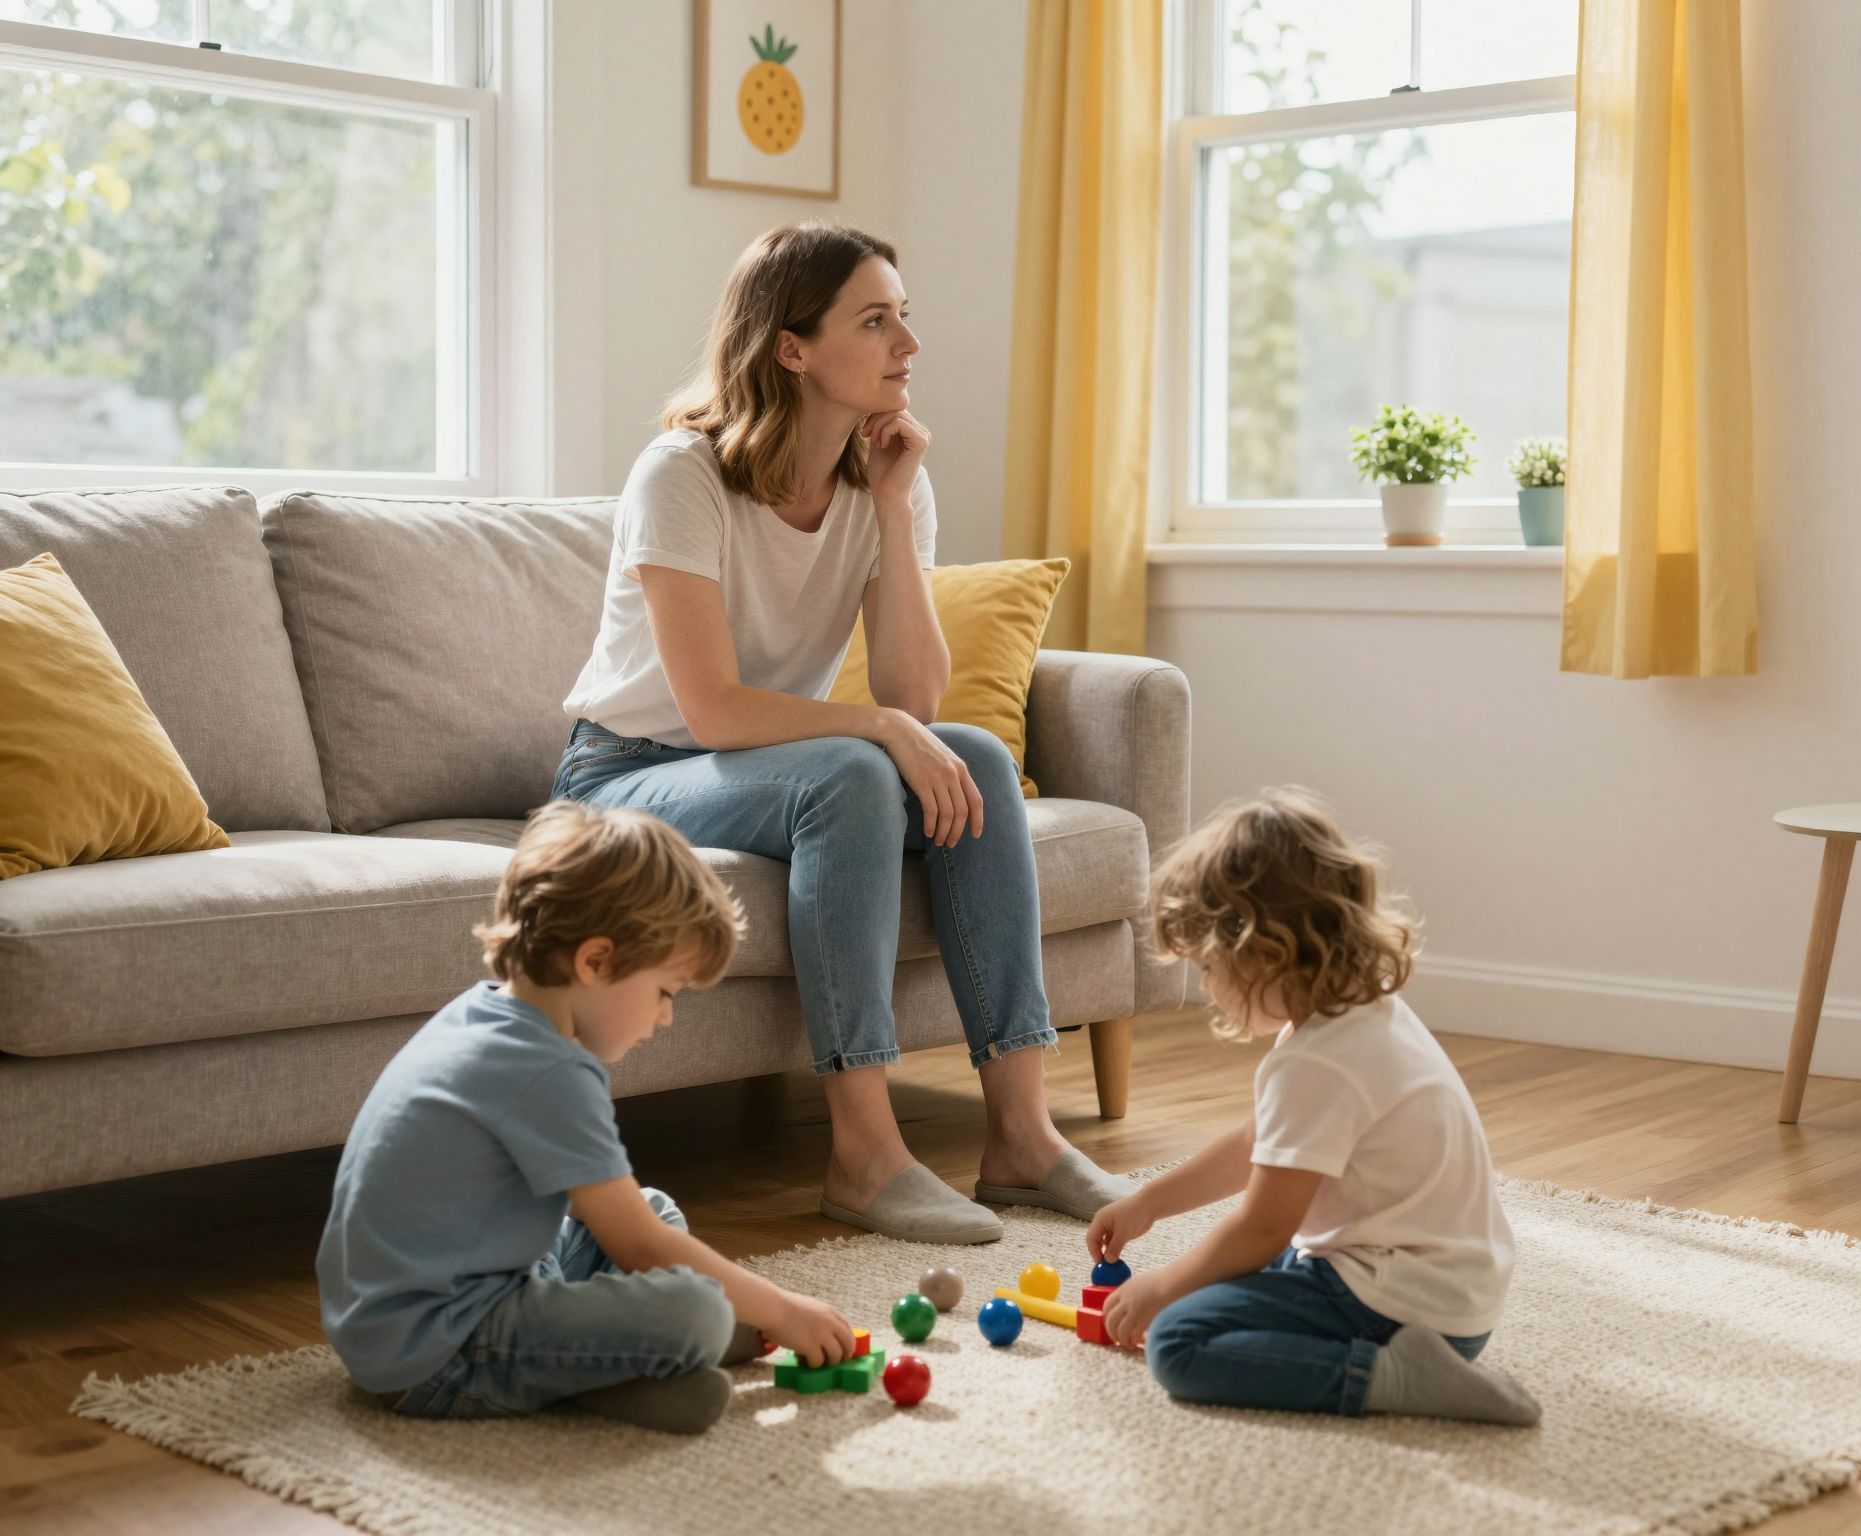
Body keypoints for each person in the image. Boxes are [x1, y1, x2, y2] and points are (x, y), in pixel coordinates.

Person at [555, 221, 1129, 1244]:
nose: (906, 345)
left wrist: (896, 516)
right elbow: (712, 712)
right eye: (875, 321)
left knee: (982, 759)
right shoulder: (680, 477)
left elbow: (913, 692)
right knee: (852, 779)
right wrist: (877, 730)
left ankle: (1021, 1139)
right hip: (629, 773)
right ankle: (864, 1155)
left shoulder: (885, 480)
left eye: (903, 318)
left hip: (764, 764)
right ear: (792, 347)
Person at [317, 801, 857, 1434]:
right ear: (595, 962)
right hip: (436, 1349)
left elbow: (601, 1215)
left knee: (653, 1207)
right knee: (692, 1307)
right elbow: (639, 1247)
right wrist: (783, 1309)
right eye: (665, 992)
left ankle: (620, 1376)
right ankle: (623, 1368)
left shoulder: (489, 1012)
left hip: (434, 1300)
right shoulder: (548, 1070)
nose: (664, 1019)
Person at [1086, 788, 1540, 1426]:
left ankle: (1392, 1377)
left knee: (1178, 1340)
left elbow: (1263, 1227)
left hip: (1404, 1305)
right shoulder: (1355, 1015)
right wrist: (1149, 1202)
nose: (1208, 988)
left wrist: (1167, 1284)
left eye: (1211, 967)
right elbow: (1259, 1142)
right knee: (1214, 1278)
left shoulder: (1318, 1063)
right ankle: (1391, 1354)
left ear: (1264, 952)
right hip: (1439, 1291)